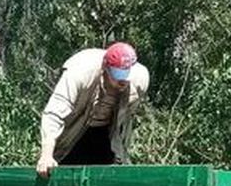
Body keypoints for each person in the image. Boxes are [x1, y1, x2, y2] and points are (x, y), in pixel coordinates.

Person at [36, 42, 150, 178]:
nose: (123, 80)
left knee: (108, 182)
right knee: (64, 179)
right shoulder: (80, 72)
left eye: (126, 73)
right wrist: (46, 155)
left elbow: (125, 120)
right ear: (105, 68)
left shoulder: (140, 80)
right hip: (74, 132)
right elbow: (53, 113)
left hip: (105, 135)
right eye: (118, 73)